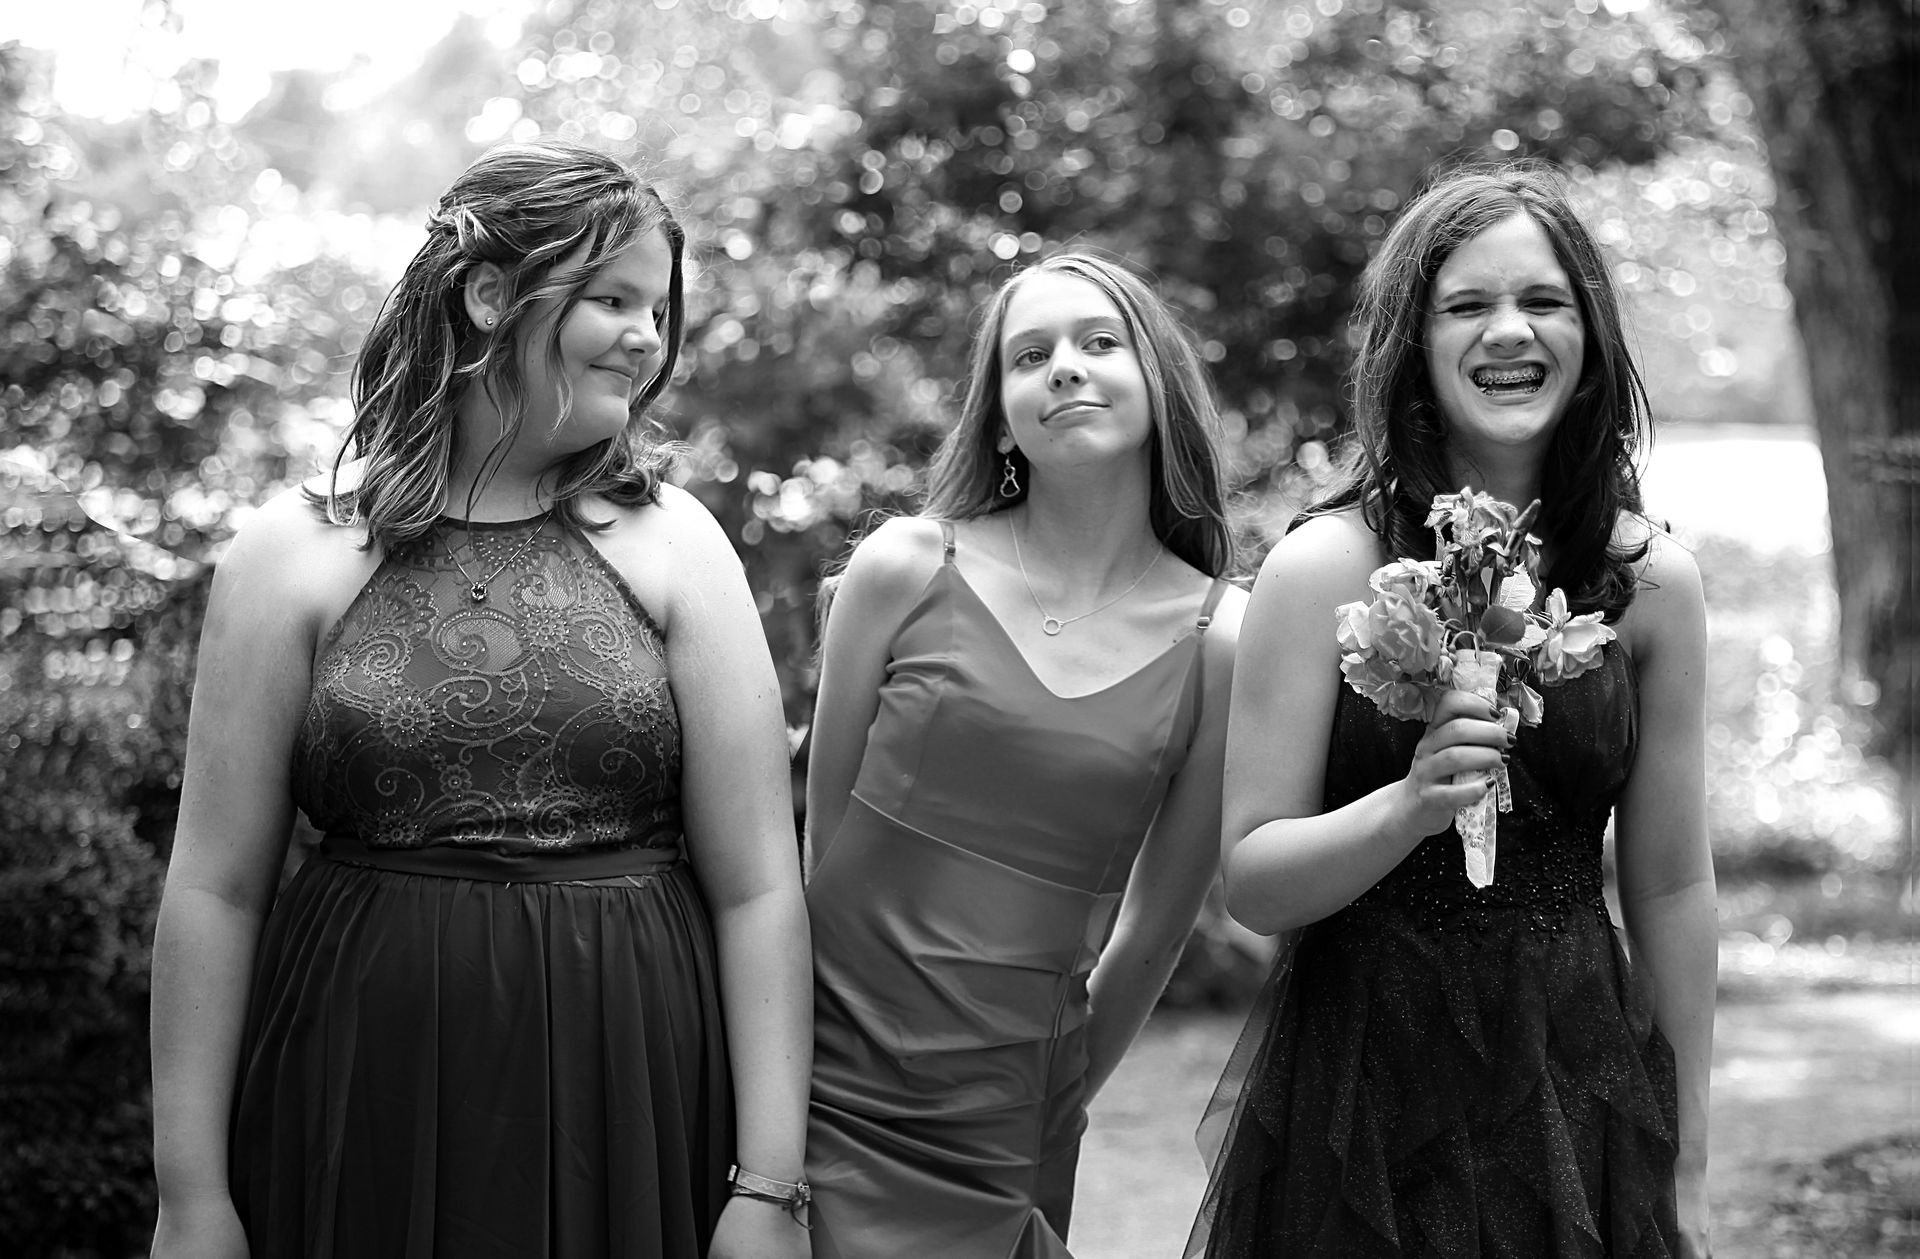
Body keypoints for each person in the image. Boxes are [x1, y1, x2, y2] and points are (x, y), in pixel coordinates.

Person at [148, 141, 812, 1259]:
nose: (648, 338)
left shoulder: (677, 544)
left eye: (658, 310)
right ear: (491, 294)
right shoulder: (290, 553)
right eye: (613, 299)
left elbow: (758, 890)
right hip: (359, 1088)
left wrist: (771, 1186)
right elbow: (216, 889)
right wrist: (190, 1196)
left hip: (631, 1090)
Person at [1192, 162, 1715, 1258]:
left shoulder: (1656, 585)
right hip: (1362, 1093)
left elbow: (1671, 885)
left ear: (1590, 336)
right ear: (1415, 347)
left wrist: (1690, 1160)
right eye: (1467, 304)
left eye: (1544, 300)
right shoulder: (1322, 568)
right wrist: (1409, 804)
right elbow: (1254, 883)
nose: (1508, 330)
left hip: (1578, 1079)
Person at [802, 250, 1248, 1258]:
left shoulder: (1224, 641)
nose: (1066, 367)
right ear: (1001, 417)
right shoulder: (901, 567)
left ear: (1158, 385)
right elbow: (819, 855)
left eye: (1099, 342)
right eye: (1031, 355)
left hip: (1006, 1124)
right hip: (823, 1085)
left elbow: (1154, 930)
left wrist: (1051, 1093)